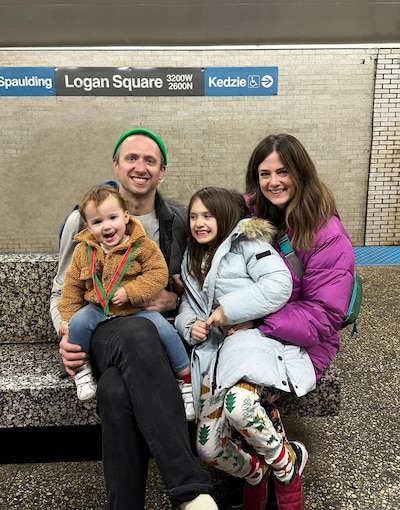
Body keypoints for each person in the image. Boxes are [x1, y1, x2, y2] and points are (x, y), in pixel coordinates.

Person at [51, 128, 218, 510]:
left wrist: (173, 296)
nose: (139, 167)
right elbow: (62, 289)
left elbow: (199, 286)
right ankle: (190, 489)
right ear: (115, 164)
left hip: (156, 342)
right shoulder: (83, 220)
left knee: (114, 390)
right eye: (131, 158)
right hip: (101, 332)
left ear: (162, 172)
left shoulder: (179, 219)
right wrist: (65, 330)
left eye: (150, 161)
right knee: (136, 333)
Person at [236, 133, 355, 510]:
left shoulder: (326, 234)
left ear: (301, 172)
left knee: (242, 398)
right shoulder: (251, 211)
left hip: (305, 343)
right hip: (259, 332)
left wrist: (254, 319)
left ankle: (283, 476)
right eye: (264, 173)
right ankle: (273, 466)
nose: (273, 182)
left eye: (283, 171)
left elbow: (323, 317)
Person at [175, 187, 311, 510]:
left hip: (250, 346)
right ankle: (255, 473)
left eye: (207, 215)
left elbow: (279, 284)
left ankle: (286, 468)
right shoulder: (192, 256)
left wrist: (229, 311)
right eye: (193, 216)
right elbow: (187, 307)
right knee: (208, 448)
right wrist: (188, 325)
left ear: (224, 215)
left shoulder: (248, 245)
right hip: (212, 357)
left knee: (239, 405)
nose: (199, 223)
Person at [57, 184, 194, 420]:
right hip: (99, 308)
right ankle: (82, 370)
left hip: (138, 309)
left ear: (126, 217)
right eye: (97, 222)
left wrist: (131, 291)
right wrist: (66, 318)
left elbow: (158, 274)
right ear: (88, 227)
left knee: (167, 333)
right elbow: (71, 287)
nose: (107, 226)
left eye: (113, 217)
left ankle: (186, 381)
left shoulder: (142, 246)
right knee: (77, 324)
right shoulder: (84, 251)